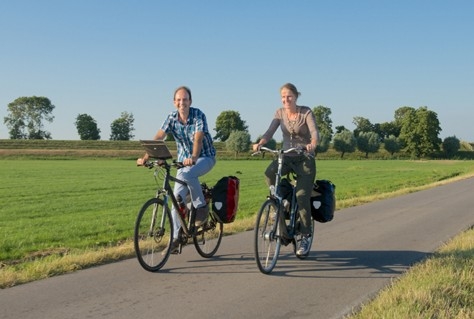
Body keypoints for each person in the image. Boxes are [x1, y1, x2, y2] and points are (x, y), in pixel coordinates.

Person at [137, 86, 216, 253]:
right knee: (175, 200)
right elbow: (159, 136)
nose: (182, 103)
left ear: (190, 101)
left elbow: (198, 138)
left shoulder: (198, 115)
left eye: (185, 99)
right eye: (179, 100)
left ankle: (201, 207)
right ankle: (174, 239)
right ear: (174, 102)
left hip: (205, 157)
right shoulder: (171, 118)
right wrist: (147, 156)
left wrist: (194, 157)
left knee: (188, 174)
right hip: (183, 161)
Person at [253, 83, 319, 256]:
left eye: (289, 96)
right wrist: (261, 143)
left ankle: (305, 235)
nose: (286, 99)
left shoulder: (306, 112)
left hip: (304, 158)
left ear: (296, 97)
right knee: (269, 173)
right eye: (283, 97)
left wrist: (312, 144)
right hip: (286, 157)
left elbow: (314, 132)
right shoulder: (279, 113)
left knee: (302, 195)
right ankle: (278, 202)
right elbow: (270, 131)